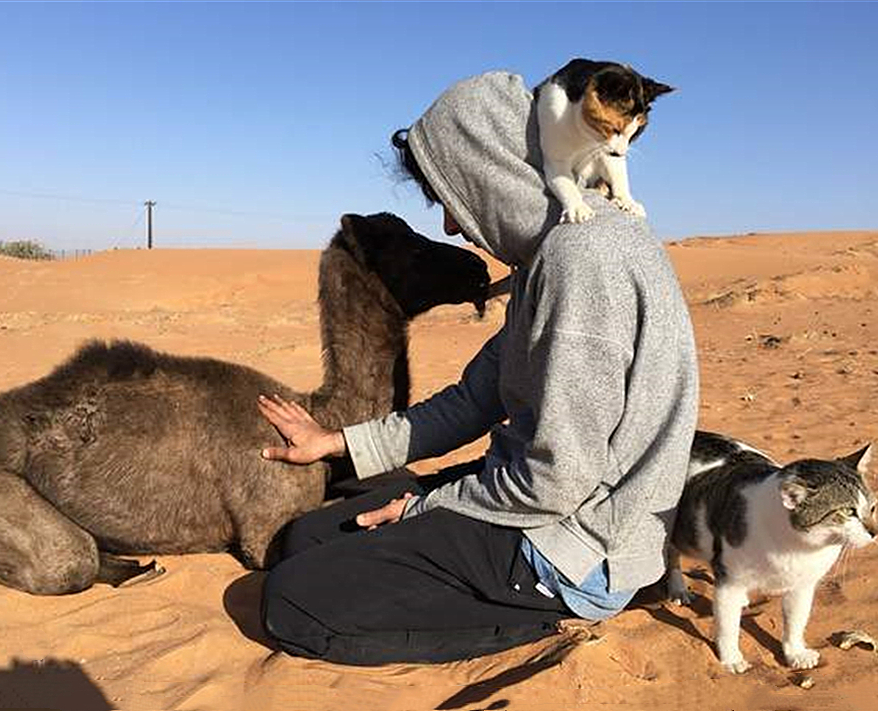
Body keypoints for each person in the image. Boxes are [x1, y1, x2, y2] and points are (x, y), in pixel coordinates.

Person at [256, 69, 699, 666]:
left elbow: (558, 480)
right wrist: (335, 442)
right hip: (535, 495)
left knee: (293, 602)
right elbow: (474, 400)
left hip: (573, 546)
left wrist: (420, 509)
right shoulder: (547, 257)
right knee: (302, 540)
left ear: (489, 171)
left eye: (450, 196)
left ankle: (544, 621)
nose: (449, 224)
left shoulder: (582, 261)